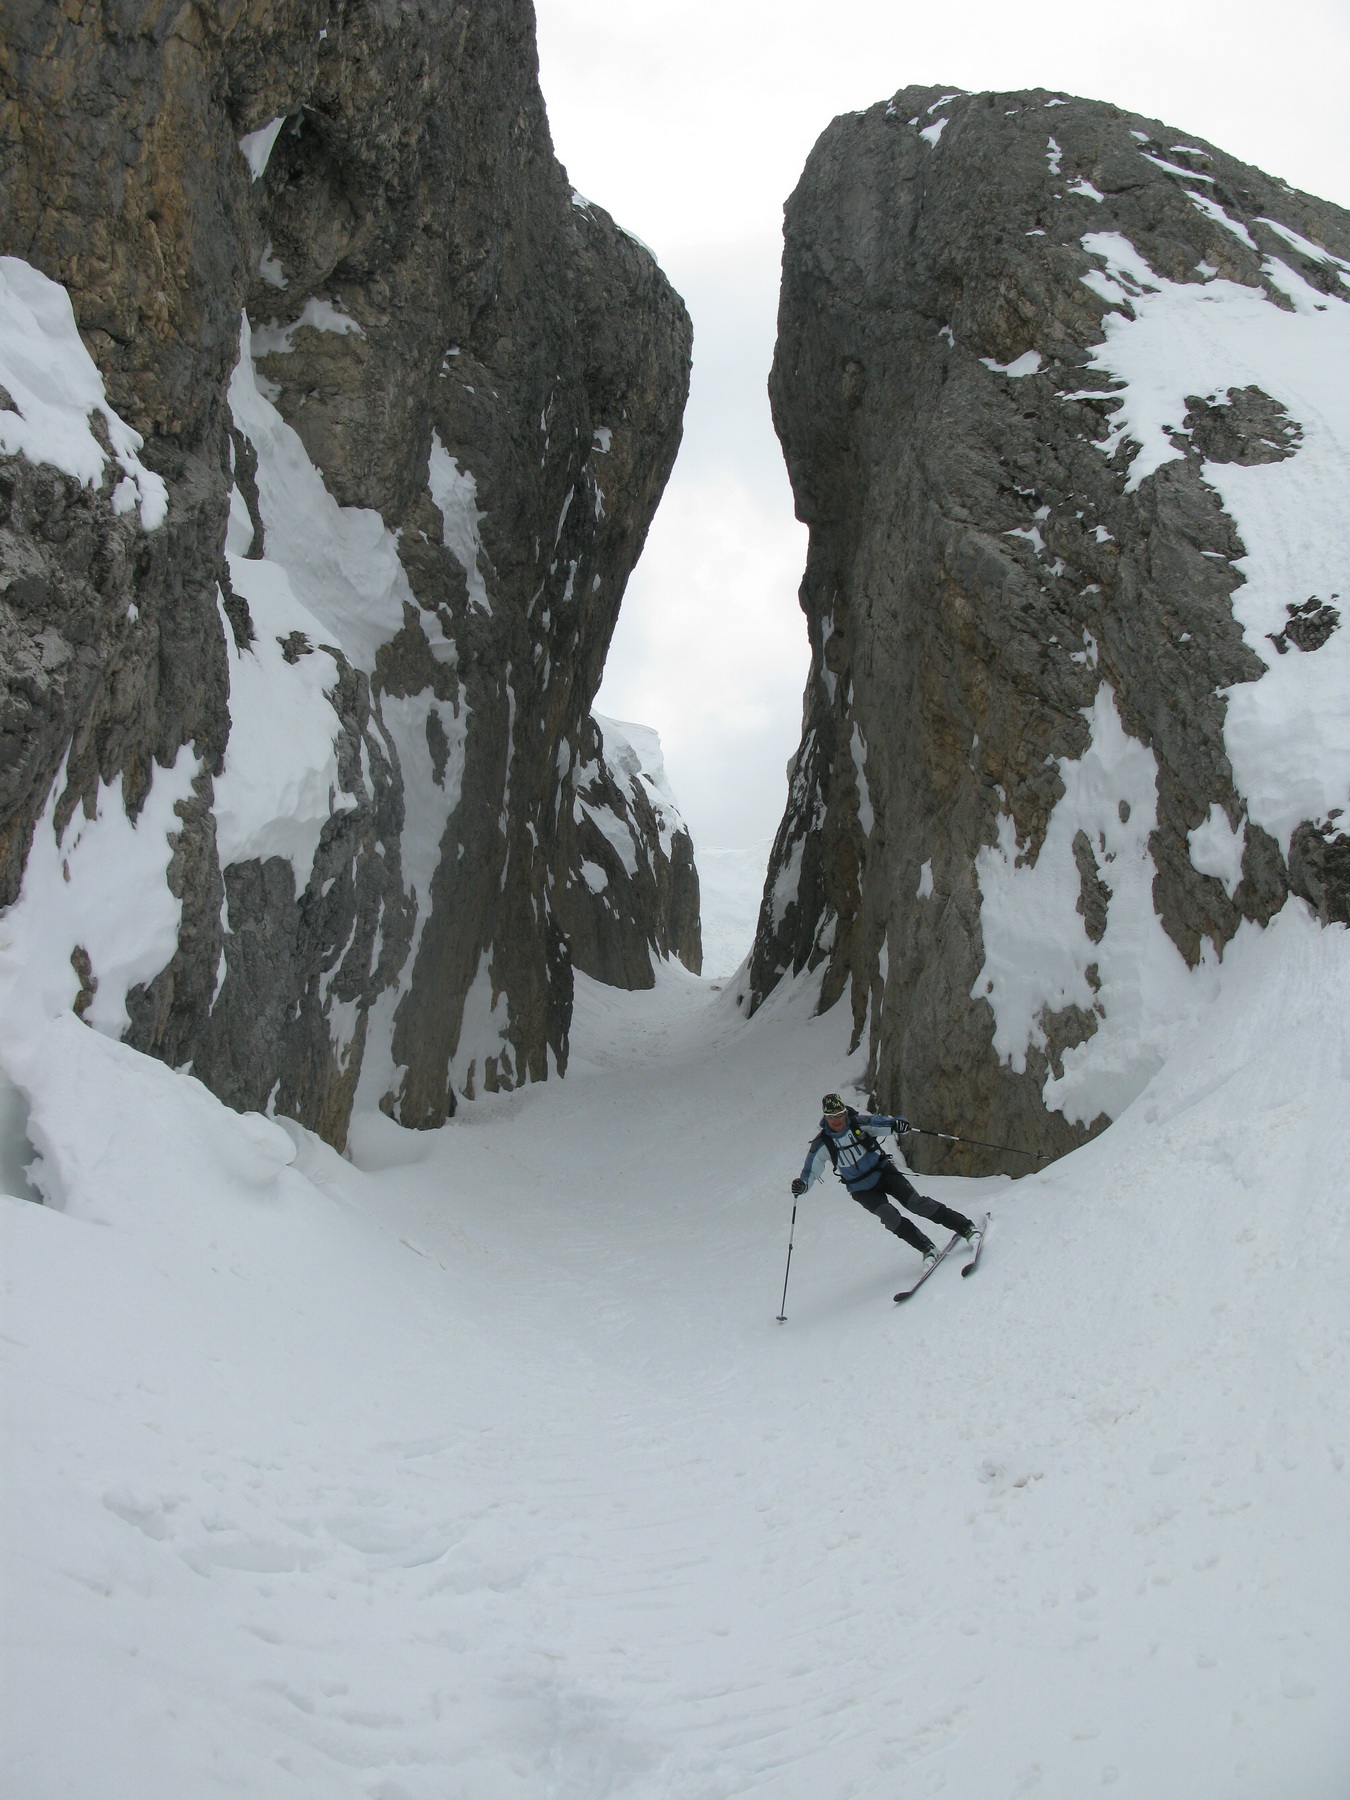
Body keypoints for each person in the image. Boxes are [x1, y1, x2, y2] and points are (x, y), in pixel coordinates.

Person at [791, 1092, 977, 1267]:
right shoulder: (823, 1143)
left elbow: (887, 1123)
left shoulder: (859, 1124)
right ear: (825, 1118)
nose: (837, 1120)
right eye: (831, 1117)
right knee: (890, 1217)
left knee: (917, 1204)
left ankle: (966, 1228)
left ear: (844, 1112)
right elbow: (810, 1171)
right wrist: (802, 1185)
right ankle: (927, 1249)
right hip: (861, 1189)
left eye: (839, 1115)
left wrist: (899, 1125)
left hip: (884, 1173)